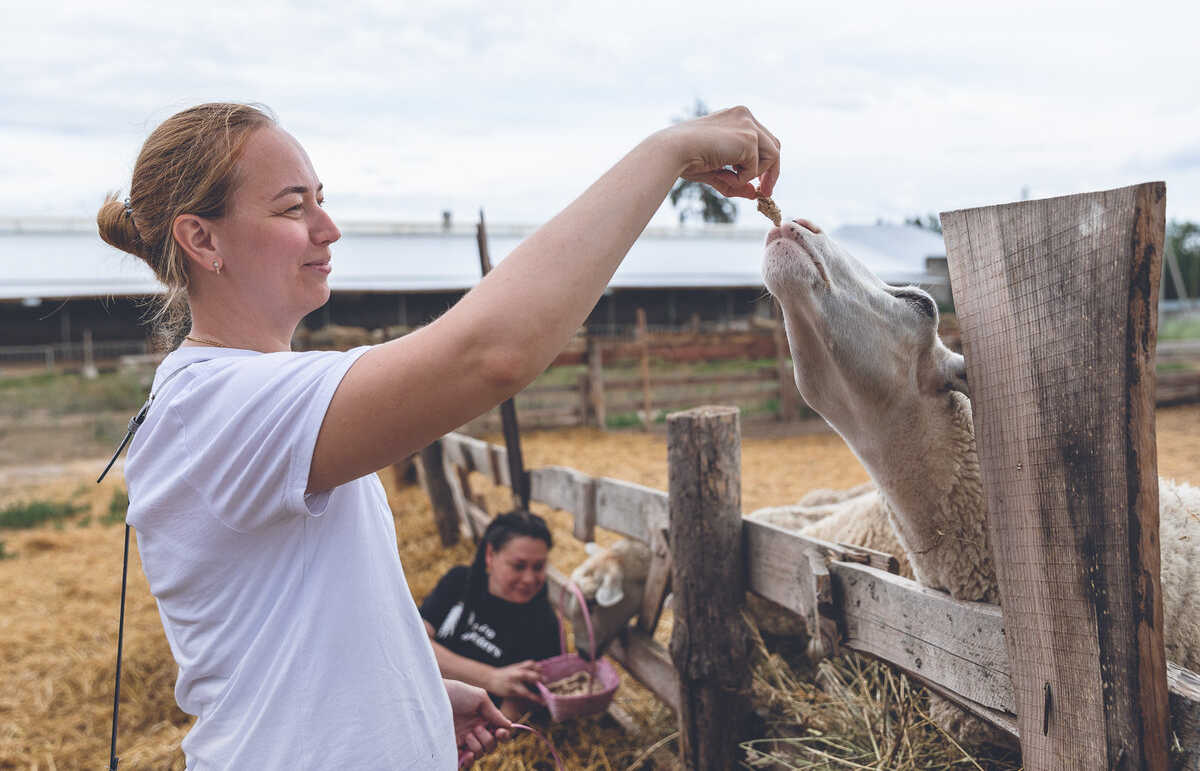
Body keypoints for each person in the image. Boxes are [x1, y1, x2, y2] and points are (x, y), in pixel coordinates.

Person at [96, 101, 779, 771]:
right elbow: (490, 354)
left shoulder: (247, 397)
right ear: (202, 239)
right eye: (292, 206)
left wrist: (412, 697)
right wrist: (666, 151)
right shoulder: (219, 404)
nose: (328, 228)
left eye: (320, 200)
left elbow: (311, 615)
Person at [421, 511, 560, 720]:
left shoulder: (544, 626)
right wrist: (492, 678)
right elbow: (413, 644)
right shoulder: (458, 582)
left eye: (539, 567)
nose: (530, 578)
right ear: (490, 555)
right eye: (518, 566)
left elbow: (509, 716)